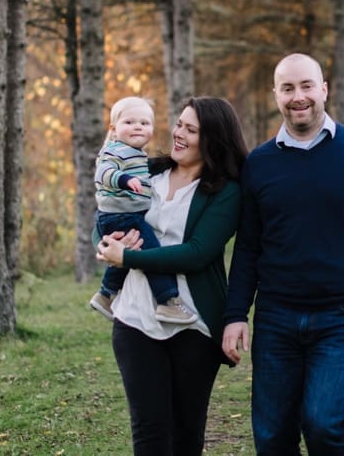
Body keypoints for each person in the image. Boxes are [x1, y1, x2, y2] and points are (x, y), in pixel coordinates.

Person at [221, 53, 344, 455]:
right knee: (273, 435)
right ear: (275, 94)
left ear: (324, 89)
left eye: (307, 85)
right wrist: (237, 313)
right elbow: (248, 247)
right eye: (288, 88)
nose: (299, 97)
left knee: (323, 422)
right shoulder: (258, 164)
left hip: (341, 315)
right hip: (276, 315)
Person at [95, 96, 248, 456]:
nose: (178, 133)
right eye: (179, 124)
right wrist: (107, 243)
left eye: (191, 130)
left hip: (192, 324)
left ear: (211, 140)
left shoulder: (225, 192)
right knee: (149, 434)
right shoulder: (147, 171)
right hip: (135, 319)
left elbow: (197, 253)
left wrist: (129, 255)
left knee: (185, 435)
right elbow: (106, 212)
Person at [89, 96, 198, 325]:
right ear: (114, 129)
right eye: (129, 122)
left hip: (124, 215)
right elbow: (103, 173)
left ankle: (106, 294)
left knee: (132, 249)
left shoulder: (137, 155)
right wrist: (124, 180)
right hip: (121, 215)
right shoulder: (115, 151)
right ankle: (167, 301)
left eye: (144, 123)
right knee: (149, 250)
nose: (137, 126)